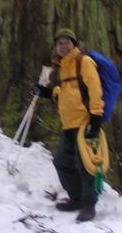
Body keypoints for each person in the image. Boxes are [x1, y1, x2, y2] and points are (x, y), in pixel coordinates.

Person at [37, 28, 103, 222]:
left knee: (86, 165)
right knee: (62, 162)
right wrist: (46, 93)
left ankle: (89, 205)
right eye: (59, 43)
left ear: (74, 44)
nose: (62, 46)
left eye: (66, 42)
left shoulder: (83, 62)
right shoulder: (63, 66)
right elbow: (65, 92)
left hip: (85, 123)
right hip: (68, 125)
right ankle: (76, 199)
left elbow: (95, 89)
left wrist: (96, 120)